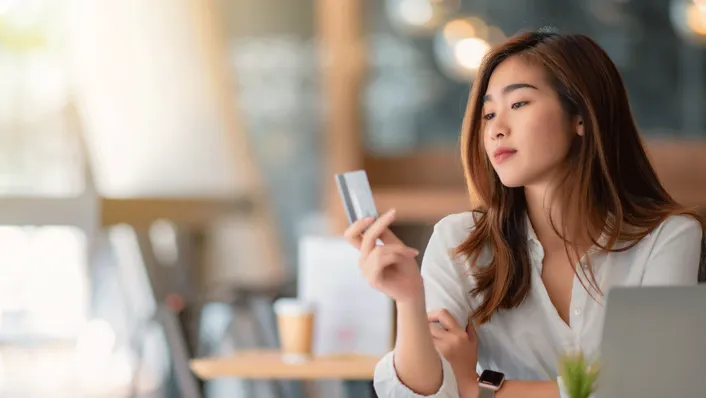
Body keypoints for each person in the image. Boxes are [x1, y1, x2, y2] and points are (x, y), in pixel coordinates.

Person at [344, 31, 706, 398]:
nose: (497, 129)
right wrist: (409, 298)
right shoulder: (459, 242)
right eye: (488, 114)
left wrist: (480, 390)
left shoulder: (668, 237)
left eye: (518, 104)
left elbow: (653, 387)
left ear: (580, 116)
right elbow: (419, 394)